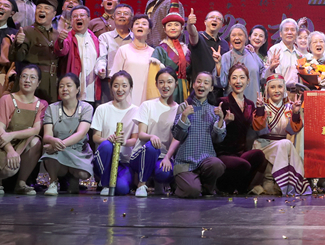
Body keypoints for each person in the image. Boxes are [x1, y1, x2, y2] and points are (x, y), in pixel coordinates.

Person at [0, 64, 46, 195]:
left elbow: (36, 130)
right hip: (4, 144)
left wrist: (12, 135)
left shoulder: (41, 104)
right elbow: (0, 131)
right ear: (19, 79)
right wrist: (10, 150)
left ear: (38, 83)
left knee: (36, 141)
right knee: (10, 169)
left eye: (32, 77)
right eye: (24, 76)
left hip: (23, 142)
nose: (27, 80)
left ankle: (21, 183)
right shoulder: (7, 99)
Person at [171, 72, 227, 198]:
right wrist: (184, 116)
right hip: (185, 162)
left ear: (211, 88)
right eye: (199, 81)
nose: (201, 85)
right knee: (192, 191)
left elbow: (218, 139)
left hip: (205, 161)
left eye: (206, 83)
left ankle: (207, 188)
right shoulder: (184, 107)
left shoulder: (214, 111)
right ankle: (180, 185)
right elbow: (177, 135)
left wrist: (221, 119)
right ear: (193, 85)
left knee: (217, 165)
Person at [252, 74, 309, 195]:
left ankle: (275, 182)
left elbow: (293, 130)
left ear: (284, 89)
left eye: (280, 87)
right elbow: (259, 128)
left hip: (282, 144)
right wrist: (260, 110)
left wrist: (295, 113)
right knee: (286, 144)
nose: (276, 90)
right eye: (272, 87)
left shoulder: (290, 107)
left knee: (285, 144)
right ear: (267, 90)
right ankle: (273, 181)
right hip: (264, 144)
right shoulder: (263, 106)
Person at [129, 68, 182, 197]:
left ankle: (159, 184)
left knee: (164, 173)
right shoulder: (147, 105)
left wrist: (168, 157)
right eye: (161, 82)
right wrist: (151, 136)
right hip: (142, 154)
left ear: (176, 84)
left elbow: (177, 137)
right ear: (156, 84)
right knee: (152, 148)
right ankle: (141, 184)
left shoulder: (179, 109)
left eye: (169, 82)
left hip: (163, 157)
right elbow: (141, 134)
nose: (165, 86)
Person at [215, 65, 266, 194]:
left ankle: (241, 188)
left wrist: (260, 109)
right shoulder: (222, 102)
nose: (238, 81)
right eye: (234, 78)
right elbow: (214, 132)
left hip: (241, 153)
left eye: (242, 78)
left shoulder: (250, 104)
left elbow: (257, 127)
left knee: (259, 155)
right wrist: (224, 121)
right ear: (229, 81)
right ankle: (225, 187)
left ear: (248, 81)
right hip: (224, 153)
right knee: (243, 164)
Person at [40, 74, 94, 196]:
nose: (64, 89)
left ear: (78, 89)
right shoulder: (52, 108)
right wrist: (53, 141)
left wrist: (58, 145)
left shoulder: (86, 108)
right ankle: (53, 182)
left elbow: (81, 133)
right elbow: (47, 136)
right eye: (61, 86)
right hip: (58, 151)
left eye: (69, 86)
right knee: (49, 152)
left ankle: (74, 179)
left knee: (83, 173)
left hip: (78, 150)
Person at [90, 71, 139, 196]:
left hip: (124, 162)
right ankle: (105, 183)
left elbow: (135, 139)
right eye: (116, 85)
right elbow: (95, 137)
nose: (120, 89)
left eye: (124, 85)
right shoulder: (102, 109)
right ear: (111, 88)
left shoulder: (136, 111)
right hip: (104, 159)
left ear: (130, 88)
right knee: (107, 146)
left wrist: (124, 142)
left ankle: (116, 181)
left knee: (122, 189)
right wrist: (108, 140)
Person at [13, 0, 61, 103]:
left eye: (46, 8)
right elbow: (18, 57)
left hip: (51, 83)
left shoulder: (57, 35)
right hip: (33, 82)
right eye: (39, 7)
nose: (41, 10)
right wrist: (18, 44)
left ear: (54, 14)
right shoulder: (26, 31)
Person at [55, 5, 101, 105]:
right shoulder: (68, 37)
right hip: (72, 92)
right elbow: (61, 51)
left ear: (89, 19)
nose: (78, 18)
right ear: (71, 21)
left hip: (91, 91)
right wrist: (60, 41)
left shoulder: (95, 39)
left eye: (82, 15)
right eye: (75, 16)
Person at [109, 15, 156, 107]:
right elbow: (114, 76)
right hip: (126, 99)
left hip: (147, 100)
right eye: (137, 23)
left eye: (144, 24)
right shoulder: (123, 50)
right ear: (132, 29)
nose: (140, 26)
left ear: (149, 30)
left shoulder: (153, 53)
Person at [95, 4, 134, 104]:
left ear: (131, 17)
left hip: (131, 83)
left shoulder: (136, 38)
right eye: (118, 13)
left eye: (126, 13)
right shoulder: (105, 37)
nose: (122, 16)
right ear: (114, 17)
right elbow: (102, 57)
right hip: (109, 83)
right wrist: (101, 69)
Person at [151, 13, 190, 104]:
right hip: (168, 88)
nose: (173, 28)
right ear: (164, 29)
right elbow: (154, 75)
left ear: (182, 28)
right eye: (169, 25)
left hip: (185, 88)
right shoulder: (160, 49)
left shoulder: (186, 50)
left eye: (176, 25)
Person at [219, 24, 264, 102]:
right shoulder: (226, 57)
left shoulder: (252, 54)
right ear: (230, 38)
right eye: (233, 35)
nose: (237, 38)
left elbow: (262, 76)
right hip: (233, 103)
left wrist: (271, 68)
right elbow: (222, 83)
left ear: (246, 38)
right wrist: (217, 64)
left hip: (253, 101)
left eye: (240, 35)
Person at [266, 18, 302, 89]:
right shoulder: (274, 50)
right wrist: (271, 68)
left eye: (292, 30)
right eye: (286, 30)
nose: (289, 32)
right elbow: (265, 76)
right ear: (280, 34)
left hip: (296, 93)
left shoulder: (299, 54)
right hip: (279, 92)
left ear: (297, 34)